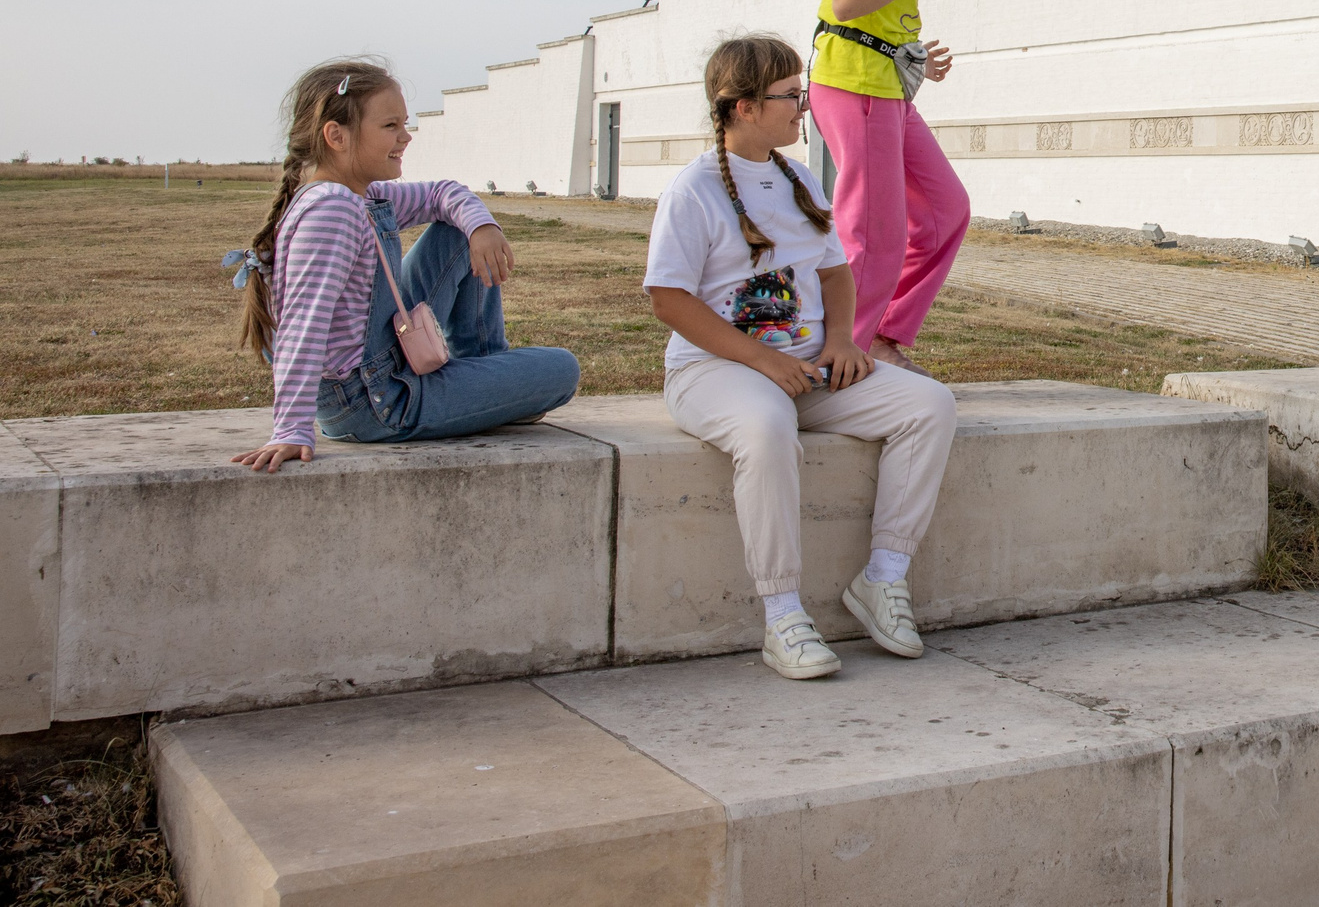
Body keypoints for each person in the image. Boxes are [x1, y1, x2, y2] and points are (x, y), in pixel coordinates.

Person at [648, 36, 961, 680]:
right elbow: (669, 300)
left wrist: (843, 340)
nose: (804, 107)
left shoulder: (797, 180)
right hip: (718, 373)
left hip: (809, 369)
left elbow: (836, 272)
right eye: (791, 96)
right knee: (765, 426)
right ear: (740, 107)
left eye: (803, 93)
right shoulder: (695, 190)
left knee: (928, 404)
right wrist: (763, 363)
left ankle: (883, 579)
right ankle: (783, 615)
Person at [229, 59, 580, 473]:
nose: (406, 137)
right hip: (376, 404)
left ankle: (486, 375)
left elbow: (441, 193)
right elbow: (303, 325)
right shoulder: (333, 211)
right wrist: (291, 429)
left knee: (457, 230)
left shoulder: (358, 194)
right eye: (390, 126)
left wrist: (482, 225)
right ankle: (493, 393)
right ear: (336, 136)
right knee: (562, 368)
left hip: (382, 371)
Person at [810, 0, 969, 362]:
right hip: (855, 88)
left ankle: (881, 337)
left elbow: (873, 16)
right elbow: (846, 2)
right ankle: (841, 355)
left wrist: (914, 54)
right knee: (874, 231)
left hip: (886, 88)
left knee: (946, 210)